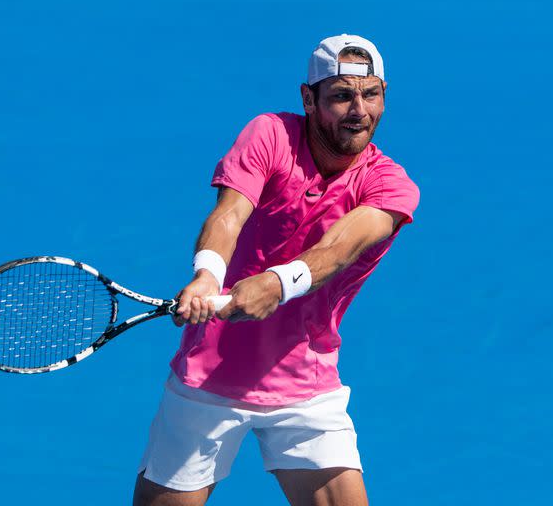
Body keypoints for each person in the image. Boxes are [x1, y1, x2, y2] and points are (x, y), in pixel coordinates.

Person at [133, 34, 420, 506]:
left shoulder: (392, 186)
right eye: (342, 95)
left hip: (305, 387)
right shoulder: (270, 134)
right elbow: (229, 213)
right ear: (308, 99)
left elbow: (338, 250)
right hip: (206, 384)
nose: (359, 110)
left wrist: (277, 284)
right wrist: (208, 274)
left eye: (371, 94)